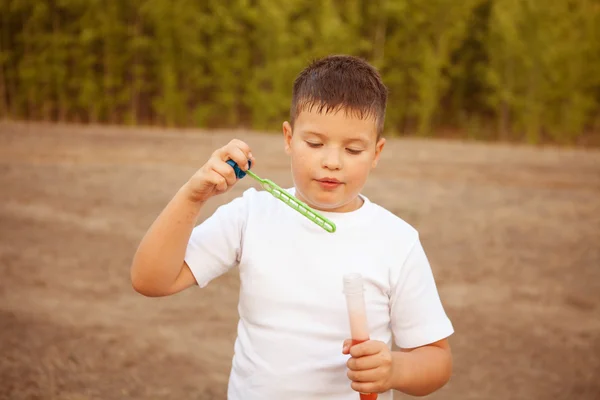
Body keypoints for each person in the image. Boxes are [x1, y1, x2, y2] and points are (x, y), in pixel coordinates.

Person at [130, 54, 454, 399]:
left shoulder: (396, 241)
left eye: (354, 149)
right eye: (314, 143)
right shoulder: (252, 214)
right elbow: (151, 280)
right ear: (288, 137)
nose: (331, 161)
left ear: (377, 152)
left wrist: (396, 370)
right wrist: (192, 198)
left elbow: (437, 360)